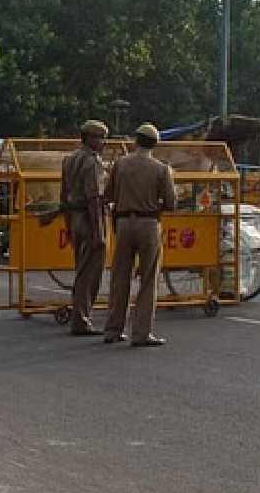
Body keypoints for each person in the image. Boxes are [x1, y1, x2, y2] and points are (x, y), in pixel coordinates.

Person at [103, 123, 177, 348]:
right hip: (149, 224)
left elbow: (108, 195)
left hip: (124, 223)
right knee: (148, 279)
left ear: (136, 141)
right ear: (155, 144)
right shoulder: (161, 169)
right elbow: (171, 203)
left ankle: (113, 330)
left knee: (120, 278)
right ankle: (141, 333)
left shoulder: (120, 164)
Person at [59, 119, 109, 336]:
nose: (103, 143)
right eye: (100, 138)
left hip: (74, 217)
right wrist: (99, 232)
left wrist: (68, 224)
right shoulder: (93, 162)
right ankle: (81, 319)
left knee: (80, 269)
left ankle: (79, 316)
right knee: (90, 273)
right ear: (89, 138)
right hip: (89, 220)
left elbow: (63, 195)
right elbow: (94, 199)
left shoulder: (69, 159)